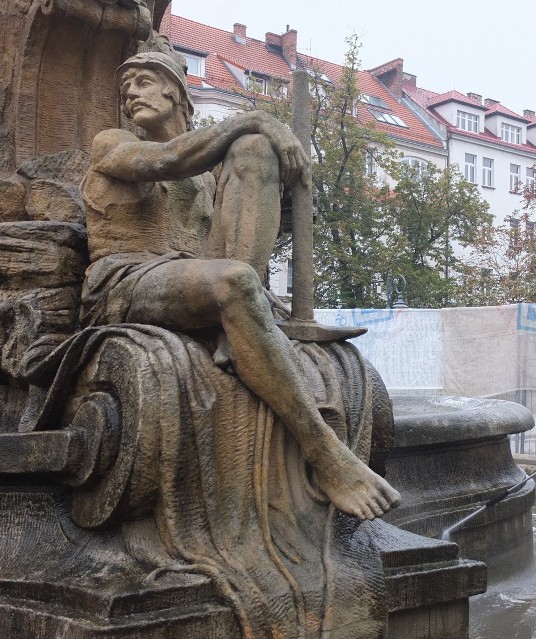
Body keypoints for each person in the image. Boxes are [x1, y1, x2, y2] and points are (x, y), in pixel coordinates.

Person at [80, 49, 401, 522]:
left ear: (176, 91)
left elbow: (241, 215)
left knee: (254, 152)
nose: (130, 94)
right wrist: (257, 119)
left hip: (191, 276)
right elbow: (168, 159)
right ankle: (327, 455)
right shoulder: (111, 143)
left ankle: (239, 328)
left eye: (144, 82)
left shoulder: (212, 182)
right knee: (234, 274)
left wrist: (280, 171)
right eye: (125, 87)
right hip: (126, 280)